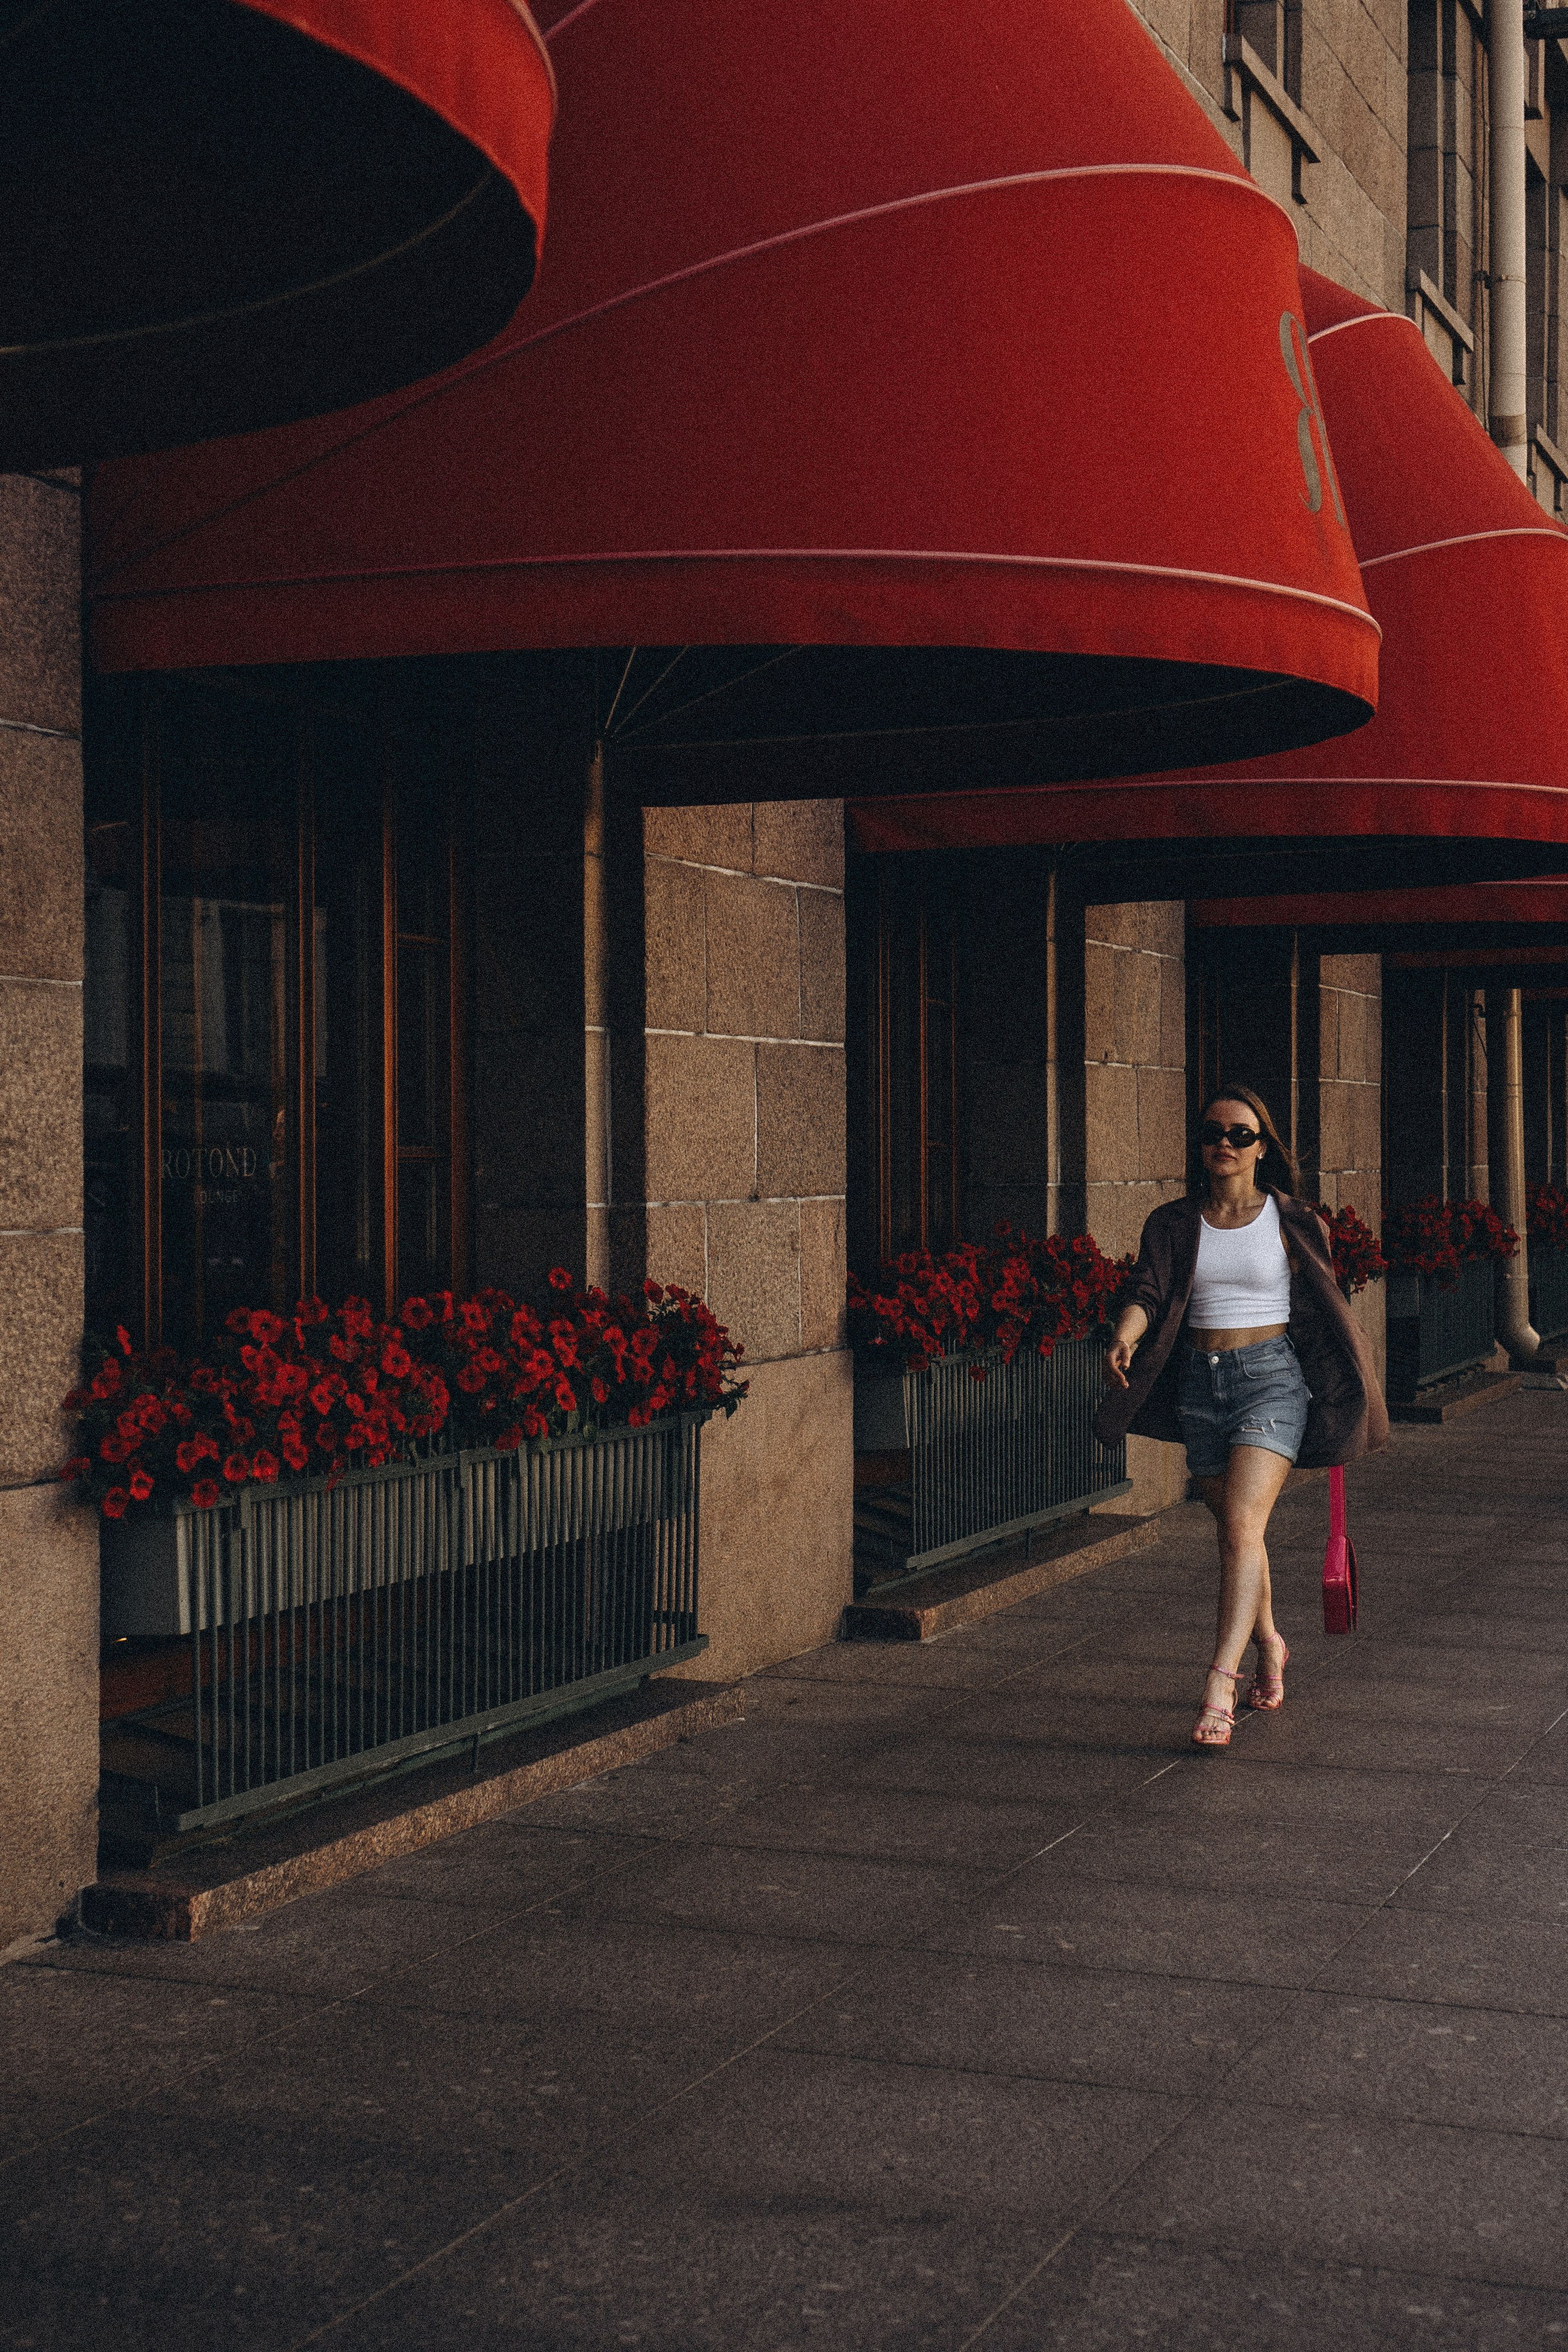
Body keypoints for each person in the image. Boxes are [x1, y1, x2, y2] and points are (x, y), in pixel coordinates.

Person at [1093, 1086, 1387, 1750]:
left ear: (1261, 1147)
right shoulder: (1172, 1222)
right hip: (1200, 1388)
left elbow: (1324, 1306)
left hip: (1271, 1381)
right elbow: (1147, 1291)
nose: (1223, 1144)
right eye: (1212, 1133)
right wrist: (1126, 1335)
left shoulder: (1292, 1220)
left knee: (1240, 1525)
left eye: (1239, 1134)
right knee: (1238, 1534)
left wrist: (1342, 1386)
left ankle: (1219, 1683)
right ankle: (1270, 1644)